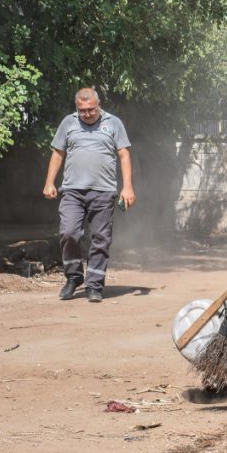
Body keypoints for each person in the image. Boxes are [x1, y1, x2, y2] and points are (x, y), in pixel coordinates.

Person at [42, 88, 135, 303]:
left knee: (101, 238)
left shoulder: (113, 123)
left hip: (103, 191)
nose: (87, 114)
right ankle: (74, 277)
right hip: (72, 190)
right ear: (77, 108)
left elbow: (124, 154)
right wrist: (49, 182)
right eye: (82, 110)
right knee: (68, 232)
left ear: (99, 104)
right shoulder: (68, 123)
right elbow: (58, 152)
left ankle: (94, 285)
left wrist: (127, 187)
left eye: (91, 109)